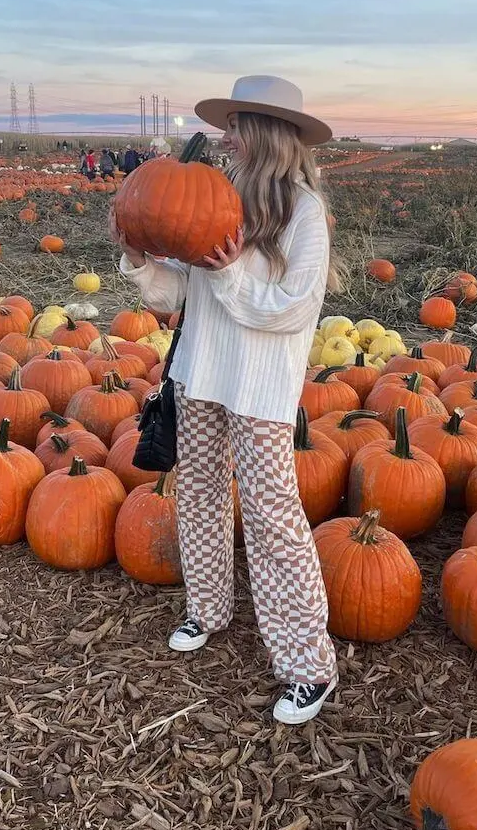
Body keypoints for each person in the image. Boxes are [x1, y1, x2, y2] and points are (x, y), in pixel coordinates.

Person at [111, 75, 340, 725]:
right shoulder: (218, 196)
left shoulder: (303, 214)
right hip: (199, 375)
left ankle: (307, 665)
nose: (224, 136)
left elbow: (290, 311)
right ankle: (206, 609)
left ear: (266, 133)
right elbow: (178, 295)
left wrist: (229, 269)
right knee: (202, 495)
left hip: (260, 388)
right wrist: (136, 256)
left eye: (236, 124)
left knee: (272, 517)